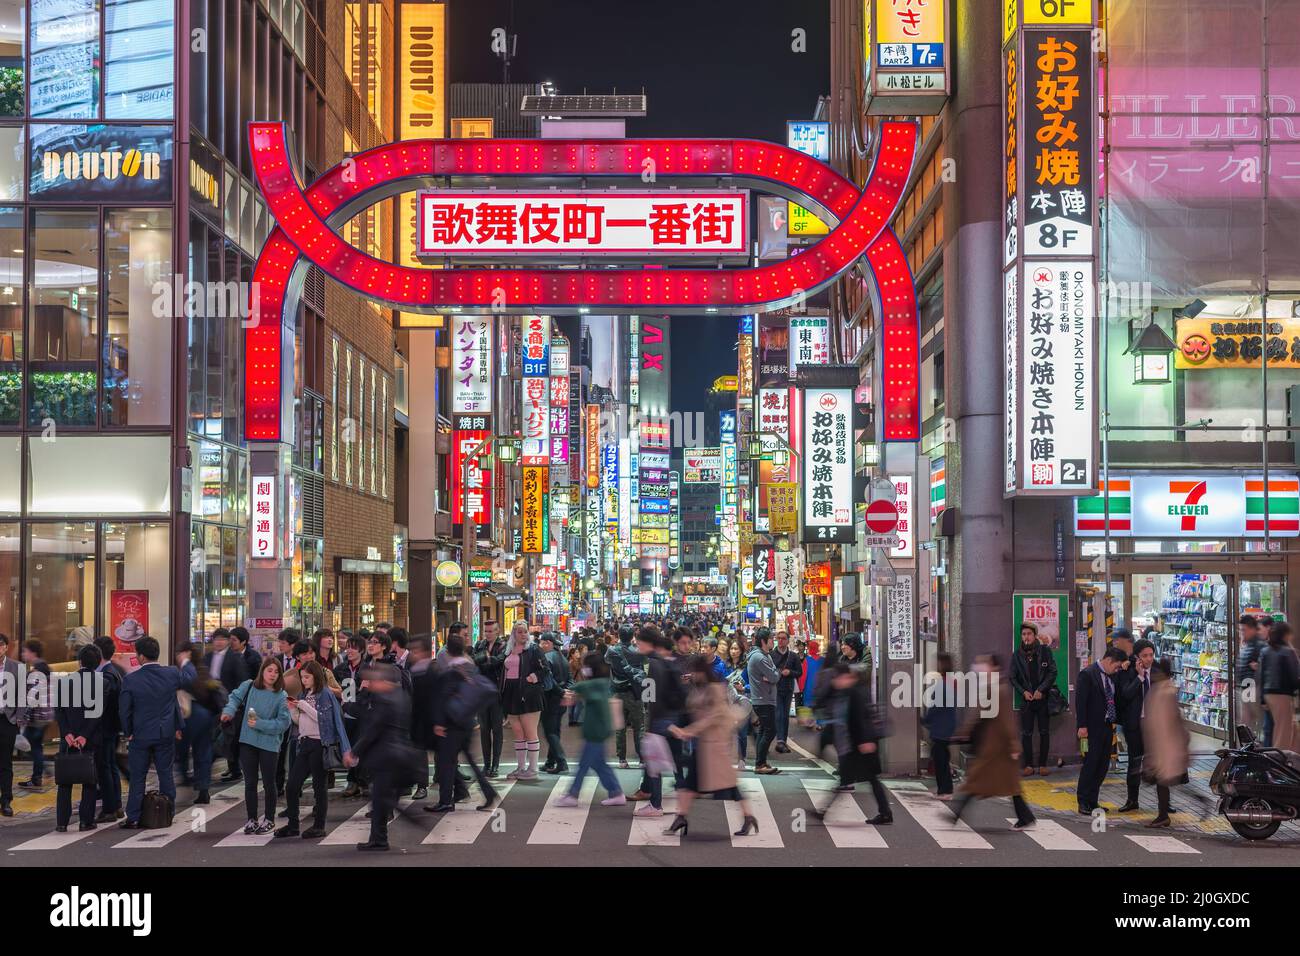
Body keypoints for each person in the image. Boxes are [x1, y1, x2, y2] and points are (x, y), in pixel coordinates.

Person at [663, 655, 757, 837]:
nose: (693, 675)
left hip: (714, 745)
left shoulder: (715, 689)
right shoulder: (700, 688)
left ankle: (748, 817)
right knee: (691, 783)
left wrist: (690, 730)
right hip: (702, 744)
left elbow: (715, 716)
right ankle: (681, 817)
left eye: (695, 672)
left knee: (729, 786)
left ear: (701, 672)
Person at [950, 655, 1034, 829]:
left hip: (998, 747)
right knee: (1007, 784)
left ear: (994, 668)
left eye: (985, 664)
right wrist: (965, 731)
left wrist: (1013, 743)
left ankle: (955, 814)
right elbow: (978, 714)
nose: (980, 667)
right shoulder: (992, 687)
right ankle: (1025, 816)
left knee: (979, 780)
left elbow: (1006, 720)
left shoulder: (998, 689)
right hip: (994, 745)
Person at [278, 660, 354, 838]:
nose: (303, 680)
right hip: (304, 743)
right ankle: (293, 825)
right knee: (292, 786)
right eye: (302, 677)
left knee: (319, 787)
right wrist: (293, 710)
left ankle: (319, 826)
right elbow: (301, 721)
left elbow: (324, 721)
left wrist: (303, 706)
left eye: (307, 677)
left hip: (319, 744)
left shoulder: (324, 694)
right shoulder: (305, 694)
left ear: (316, 676)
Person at [118, 636, 185, 829]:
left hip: (140, 734)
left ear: (140, 656)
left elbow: (125, 710)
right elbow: (175, 698)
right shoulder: (172, 674)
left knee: (138, 777)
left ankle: (133, 817)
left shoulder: (131, 680)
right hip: (165, 733)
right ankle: (167, 812)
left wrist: (128, 731)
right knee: (166, 773)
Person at [428, 634, 499, 813]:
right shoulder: (469, 667)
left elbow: (442, 698)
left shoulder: (450, 670)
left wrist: (438, 723)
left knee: (446, 762)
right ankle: (488, 793)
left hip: (451, 723)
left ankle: (445, 801)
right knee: (470, 761)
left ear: (448, 650)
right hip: (466, 721)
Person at [220, 656, 291, 835]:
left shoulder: (281, 695)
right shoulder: (250, 685)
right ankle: (251, 819)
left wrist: (260, 724)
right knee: (250, 782)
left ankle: (269, 819)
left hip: (269, 744)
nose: (273, 674)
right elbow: (234, 698)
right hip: (247, 741)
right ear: (263, 671)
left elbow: (283, 723)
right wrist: (228, 711)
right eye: (269, 670)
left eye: (276, 672)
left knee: (269, 783)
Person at [351, 663, 414, 851]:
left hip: (386, 755)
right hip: (396, 754)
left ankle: (379, 840)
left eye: (375, 680)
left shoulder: (385, 700)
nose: (372, 683)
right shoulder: (401, 696)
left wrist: (354, 752)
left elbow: (373, 729)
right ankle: (378, 838)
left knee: (380, 799)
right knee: (382, 798)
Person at [554, 652, 626, 808]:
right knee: (599, 765)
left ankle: (573, 794)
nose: (583, 669)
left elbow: (577, 686)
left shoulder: (595, 684)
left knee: (583, 764)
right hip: (599, 731)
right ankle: (616, 792)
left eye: (585, 666)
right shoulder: (603, 683)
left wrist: (567, 692)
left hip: (595, 732)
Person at [630, 627, 687, 814]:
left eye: (639, 641)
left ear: (647, 643)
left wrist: (649, 726)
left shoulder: (652, 664)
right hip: (670, 717)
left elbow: (651, 697)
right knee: (668, 759)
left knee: (653, 762)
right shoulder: (662, 661)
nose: (636, 644)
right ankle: (675, 797)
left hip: (659, 719)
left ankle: (655, 804)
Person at [53, 645, 103, 832]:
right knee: (89, 780)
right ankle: (85, 821)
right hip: (89, 739)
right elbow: (98, 714)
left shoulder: (65, 682)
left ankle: (61, 822)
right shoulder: (100, 683)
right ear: (97, 662)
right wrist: (83, 736)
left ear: (79, 661)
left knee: (65, 779)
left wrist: (67, 733)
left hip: (67, 739)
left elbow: (59, 711)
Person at [1076, 646, 1128, 814]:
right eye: (1117, 666)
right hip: (1091, 728)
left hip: (1107, 726)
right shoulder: (1087, 674)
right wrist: (1082, 726)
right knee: (1090, 765)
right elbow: (1080, 702)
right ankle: (1083, 801)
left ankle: (1093, 801)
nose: (1118, 669)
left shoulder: (1113, 676)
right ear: (1109, 660)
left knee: (1102, 765)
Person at [1140, 659, 1191, 828]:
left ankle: (1163, 815)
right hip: (1163, 745)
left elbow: (1170, 721)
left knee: (1163, 780)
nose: (1153, 675)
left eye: (1155, 672)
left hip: (1166, 745)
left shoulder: (1165, 691)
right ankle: (1163, 814)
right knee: (1164, 780)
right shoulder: (1162, 689)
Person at [496, 622, 547, 780]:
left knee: (530, 732)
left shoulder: (533, 649)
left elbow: (545, 668)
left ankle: (532, 769)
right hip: (510, 693)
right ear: (514, 633)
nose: (523, 634)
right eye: (520, 632)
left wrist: (532, 678)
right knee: (518, 732)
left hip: (529, 694)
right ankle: (520, 767)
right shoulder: (507, 650)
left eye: (525, 631)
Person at [176, 641, 222, 805]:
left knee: (181, 749)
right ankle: (203, 788)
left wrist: (184, 663)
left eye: (180, 653)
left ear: (187, 653)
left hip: (191, 715)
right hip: (206, 716)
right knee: (203, 752)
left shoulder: (189, 668)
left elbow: (187, 682)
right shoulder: (203, 668)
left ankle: (187, 778)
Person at [1009, 622, 1057, 778]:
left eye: (1028, 634)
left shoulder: (1044, 651)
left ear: (1035, 635)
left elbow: (1052, 672)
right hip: (1027, 701)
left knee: (1044, 732)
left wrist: (1041, 689)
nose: (1026, 637)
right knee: (1026, 734)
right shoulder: (1017, 655)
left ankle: (1043, 765)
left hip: (1043, 699)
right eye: (1023, 635)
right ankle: (1028, 765)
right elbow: (1012, 677)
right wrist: (1023, 692)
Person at [1115, 636, 1156, 813]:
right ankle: (1132, 800)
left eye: (1151, 655)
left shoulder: (1158, 671)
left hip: (1154, 726)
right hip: (1134, 725)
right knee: (1134, 763)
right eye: (1145, 655)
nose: (1149, 659)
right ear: (1137, 657)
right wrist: (1139, 677)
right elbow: (1125, 695)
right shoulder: (1128, 671)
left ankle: (1165, 802)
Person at [90, 636, 123, 821]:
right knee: (111, 767)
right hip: (111, 728)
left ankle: (110, 809)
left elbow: (101, 705)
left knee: (105, 768)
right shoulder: (112, 670)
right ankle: (116, 806)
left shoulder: (106, 675)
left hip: (104, 728)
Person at [605, 624, 646, 770]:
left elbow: (607, 661)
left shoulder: (612, 650)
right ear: (632, 636)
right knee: (639, 727)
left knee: (619, 727)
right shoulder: (638, 651)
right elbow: (644, 666)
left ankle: (622, 759)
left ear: (619, 635)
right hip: (635, 692)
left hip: (617, 692)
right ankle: (642, 759)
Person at [472, 620, 507, 777]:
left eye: (491, 631)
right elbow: (474, 662)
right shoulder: (480, 645)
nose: (488, 634)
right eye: (486, 631)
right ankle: (487, 765)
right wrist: (485, 659)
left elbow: (499, 661)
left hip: (497, 693)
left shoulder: (503, 645)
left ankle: (495, 765)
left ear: (497, 631)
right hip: (481, 693)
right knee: (484, 730)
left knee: (497, 730)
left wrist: (484, 660)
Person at [922, 652, 958, 800]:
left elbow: (937, 706)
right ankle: (944, 789)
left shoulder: (944, 684)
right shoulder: (950, 681)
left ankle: (945, 790)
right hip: (946, 725)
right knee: (942, 757)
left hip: (941, 727)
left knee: (940, 759)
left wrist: (926, 719)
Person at [18, 640, 52, 790]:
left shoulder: (37, 671)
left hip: (37, 716)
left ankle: (38, 775)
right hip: (45, 714)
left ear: (33, 653)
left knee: (32, 747)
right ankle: (41, 772)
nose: (23, 654)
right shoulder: (43, 668)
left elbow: (32, 696)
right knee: (35, 746)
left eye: (25, 651)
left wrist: (24, 717)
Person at [1260, 621, 1300, 751]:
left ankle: (1294, 755)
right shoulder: (1287, 652)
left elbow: (1261, 675)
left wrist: (1262, 698)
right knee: (1283, 731)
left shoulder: (1265, 651)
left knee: (1290, 727)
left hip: (1268, 694)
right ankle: (1279, 761)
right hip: (1282, 694)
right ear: (1285, 635)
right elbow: (1294, 676)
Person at [746, 629, 781, 774]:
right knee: (770, 731)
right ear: (763, 641)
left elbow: (773, 675)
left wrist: (773, 674)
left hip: (764, 698)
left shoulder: (764, 656)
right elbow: (774, 677)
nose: (774, 641)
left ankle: (761, 763)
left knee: (763, 730)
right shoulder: (760, 658)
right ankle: (760, 764)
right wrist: (774, 674)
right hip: (763, 699)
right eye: (771, 639)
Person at [538, 631, 571, 774]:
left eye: (542, 642)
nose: (540, 645)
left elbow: (548, 681)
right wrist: (566, 691)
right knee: (555, 731)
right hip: (561, 699)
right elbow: (570, 677)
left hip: (551, 698)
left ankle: (561, 761)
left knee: (550, 731)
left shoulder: (546, 657)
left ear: (548, 643)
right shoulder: (562, 657)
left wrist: (562, 692)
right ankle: (550, 761)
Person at [770, 631, 803, 754]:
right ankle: (780, 741)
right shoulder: (771, 655)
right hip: (775, 688)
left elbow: (799, 672)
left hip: (788, 688)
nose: (781, 641)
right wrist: (778, 672)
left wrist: (790, 672)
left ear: (788, 640)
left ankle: (783, 741)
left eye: (783, 638)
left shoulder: (793, 656)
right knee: (778, 714)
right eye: (778, 638)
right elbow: (768, 671)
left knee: (785, 715)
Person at [1235, 614, 1265, 743]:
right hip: (1246, 686)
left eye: (1244, 630)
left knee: (1252, 719)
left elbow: (1265, 666)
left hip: (1252, 687)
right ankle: (1249, 746)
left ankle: (1256, 746)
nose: (1241, 633)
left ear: (1252, 629)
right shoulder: (1247, 645)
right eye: (1240, 630)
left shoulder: (1259, 645)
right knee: (1246, 720)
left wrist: (1258, 667)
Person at [566, 644, 586, 725]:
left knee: (572, 704)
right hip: (577, 684)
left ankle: (572, 720)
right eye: (576, 652)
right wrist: (580, 659)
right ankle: (575, 720)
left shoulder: (570, 661)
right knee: (579, 703)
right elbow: (579, 668)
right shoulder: (573, 662)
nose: (578, 653)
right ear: (572, 654)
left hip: (572, 684)